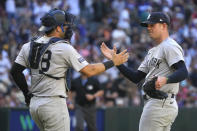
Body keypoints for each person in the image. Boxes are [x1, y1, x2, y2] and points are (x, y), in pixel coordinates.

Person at [10, 8, 129, 131]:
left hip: (35, 105)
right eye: (65, 25)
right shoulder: (63, 47)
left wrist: (26, 94)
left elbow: (15, 71)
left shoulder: (28, 45)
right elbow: (90, 70)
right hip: (53, 104)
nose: (68, 28)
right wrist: (113, 62)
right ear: (57, 28)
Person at [101, 12, 188, 131]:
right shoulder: (153, 51)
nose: (149, 28)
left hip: (159, 103)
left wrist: (166, 79)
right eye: (148, 25)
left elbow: (183, 71)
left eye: (152, 25)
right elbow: (136, 77)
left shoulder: (169, 46)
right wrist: (116, 62)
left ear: (164, 26)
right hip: (159, 103)